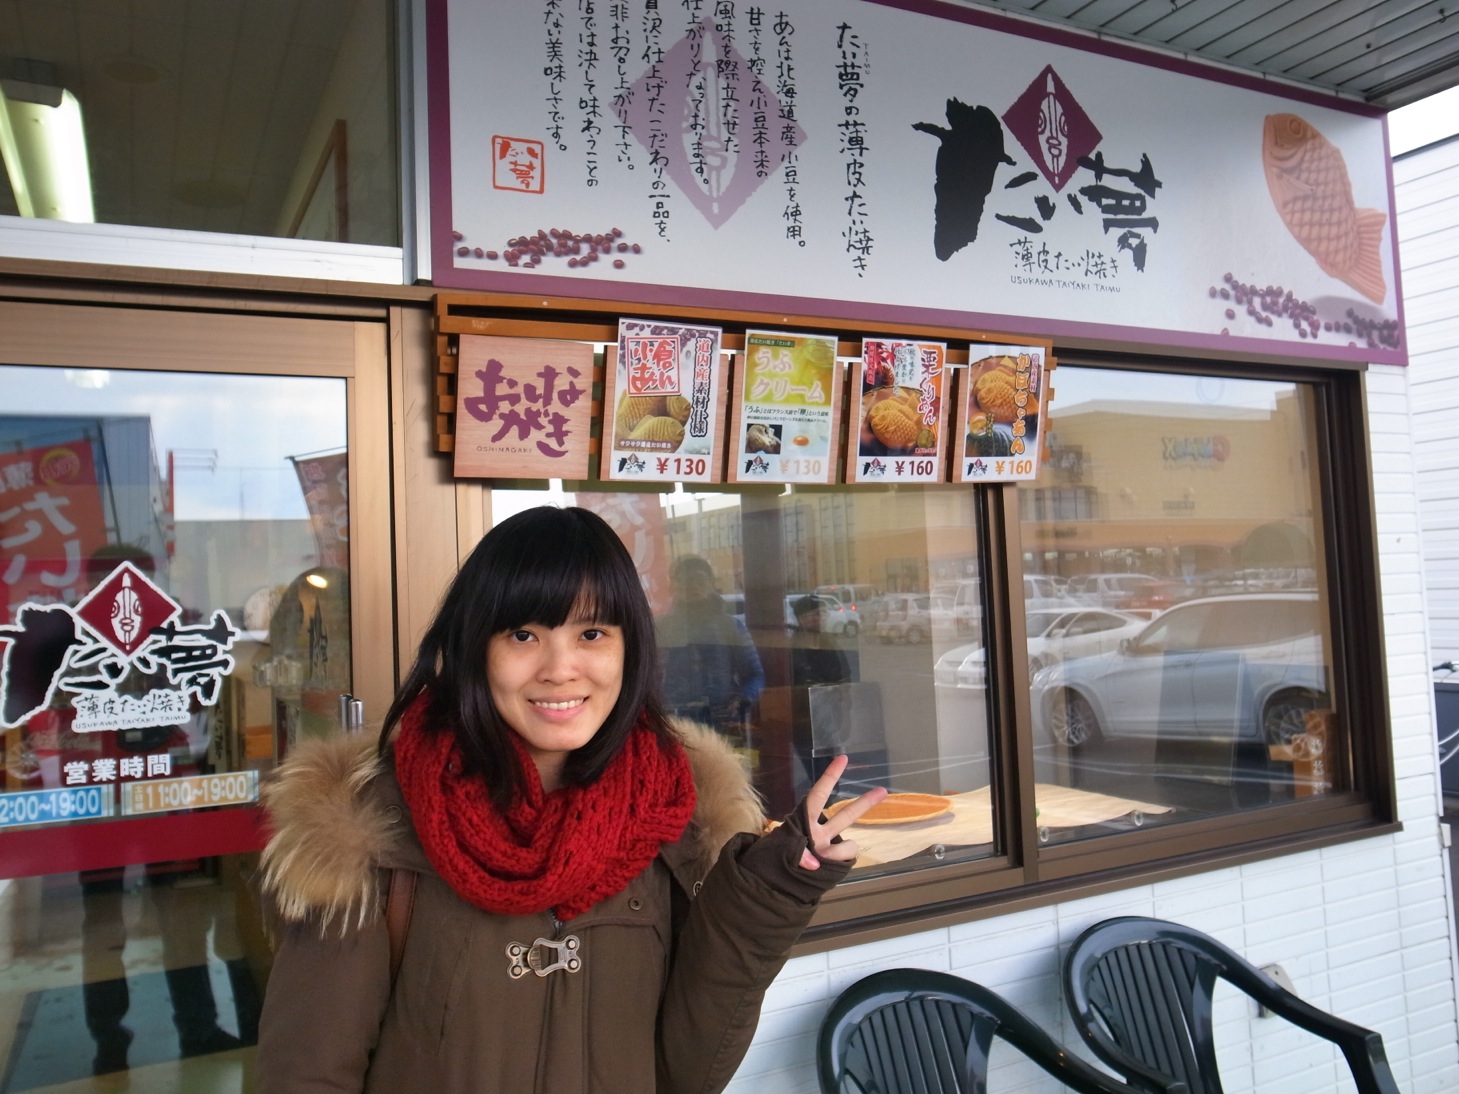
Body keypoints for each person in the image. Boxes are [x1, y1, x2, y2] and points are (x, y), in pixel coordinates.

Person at [254, 506, 885, 1092]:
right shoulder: (370, 826)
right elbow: (307, 1074)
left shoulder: (675, 815)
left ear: (629, 647)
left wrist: (768, 893)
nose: (560, 669)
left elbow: (686, 1074)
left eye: (592, 633)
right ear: (476, 647)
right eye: (523, 635)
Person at [657, 555, 765, 746]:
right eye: (684, 581)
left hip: (722, 721)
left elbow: (756, 675)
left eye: (698, 580)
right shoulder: (660, 628)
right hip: (672, 723)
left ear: (711, 584)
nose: (692, 586)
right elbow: (646, 676)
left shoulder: (730, 626)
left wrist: (741, 699)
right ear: (675, 587)